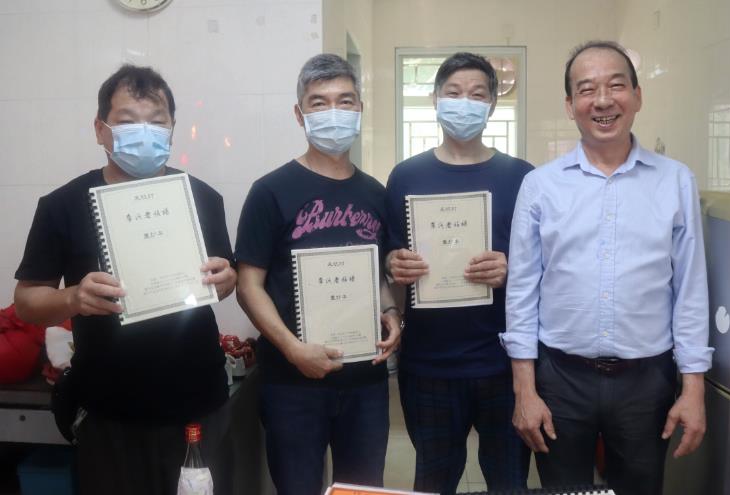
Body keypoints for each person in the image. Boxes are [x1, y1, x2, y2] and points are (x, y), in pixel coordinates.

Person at [14, 65, 237, 495]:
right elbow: (26, 302)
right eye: (128, 121)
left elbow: (224, 279)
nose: (145, 132)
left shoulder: (202, 198)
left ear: (172, 129)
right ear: (101, 129)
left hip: (197, 403)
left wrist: (227, 280)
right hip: (109, 409)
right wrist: (74, 298)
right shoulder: (62, 205)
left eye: (157, 121)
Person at [502, 40, 713, 495]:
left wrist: (693, 388)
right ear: (569, 105)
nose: (602, 100)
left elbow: (690, 289)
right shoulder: (540, 185)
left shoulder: (675, 180)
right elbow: (521, 292)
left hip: (647, 381)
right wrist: (525, 390)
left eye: (616, 86)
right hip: (560, 379)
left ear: (637, 96)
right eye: (586, 89)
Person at [234, 53, 402, 495]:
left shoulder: (375, 193)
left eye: (345, 101)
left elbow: (377, 274)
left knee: (361, 490)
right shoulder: (269, 192)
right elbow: (248, 286)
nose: (334, 113)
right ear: (299, 114)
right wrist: (293, 349)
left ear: (360, 109)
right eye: (319, 102)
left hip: (365, 381)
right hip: (292, 383)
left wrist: (391, 314)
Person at [385, 52, 533, 495]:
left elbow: (546, 266)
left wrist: (512, 268)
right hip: (428, 365)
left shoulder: (522, 177)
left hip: (504, 363)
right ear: (435, 100)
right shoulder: (406, 176)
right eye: (453, 93)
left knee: (509, 482)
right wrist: (394, 264)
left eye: (477, 94)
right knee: (434, 481)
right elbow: (389, 260)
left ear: (492, 104)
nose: (464, 103)